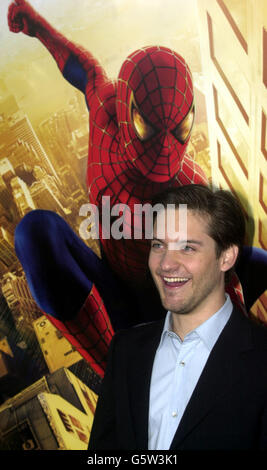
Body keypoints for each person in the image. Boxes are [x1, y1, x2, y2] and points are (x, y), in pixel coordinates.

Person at [7, 1, 267, 378]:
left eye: (178, 129)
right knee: (36, 234)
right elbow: (87, 70)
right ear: (127, 107)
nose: (164, 150)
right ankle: (117, 376)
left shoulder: (192, 191)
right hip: (116, 292)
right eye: (149, 127)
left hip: (173, 303)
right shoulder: (105, 111)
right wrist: (38, 26)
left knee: (252, 260)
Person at [88, 184, 267, 450]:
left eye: (187, 248)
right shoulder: (125, 350)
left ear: (226, 257)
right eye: (158, 245)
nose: (165, 264)